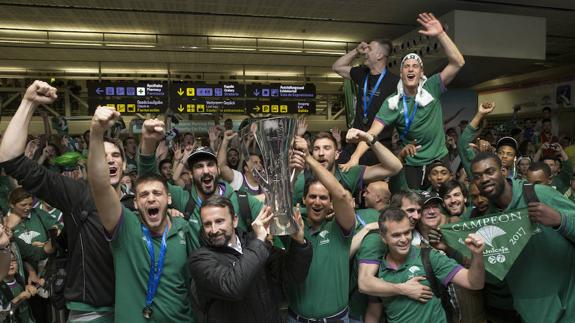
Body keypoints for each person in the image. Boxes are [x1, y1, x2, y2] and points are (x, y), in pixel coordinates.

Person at [0, 81, 116, 322]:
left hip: (133, 306)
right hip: (91, 311)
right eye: (102, 156)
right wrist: (28, 102)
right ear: (90, 162)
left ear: (124, 165)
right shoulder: (78, 194)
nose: (110, 161)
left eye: (116, 155)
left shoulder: (140, 201)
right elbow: (11, 160)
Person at [87, 106, 197, 323]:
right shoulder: (125, 227)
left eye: (157, 193)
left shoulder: (184, 228)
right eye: (144, 195)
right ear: (135, 203)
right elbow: (100, 185)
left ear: (169, 199)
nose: (151, 198)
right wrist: (96, 133)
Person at [342, 12, 465, 189]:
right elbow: (372, 133)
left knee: (444, 202)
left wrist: (440, 34)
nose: (410, 69)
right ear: (401, 74)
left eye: (415, 66)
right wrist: (355, 158)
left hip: (439, 160)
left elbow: (458, 62)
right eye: (406, 66)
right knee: (412, 205)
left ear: (421, 73)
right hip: (411, 163)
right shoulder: (393, 103)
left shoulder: (431, 87)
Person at [471, 152, 575, 322]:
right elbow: (496, 274)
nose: (484, 179)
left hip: (569, 307)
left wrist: (559, 220)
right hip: (532, 313)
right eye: (477, 176)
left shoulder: (539, 194)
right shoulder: (488, 221)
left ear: (503, 171)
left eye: (490, 171)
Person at [137, 119, 264, 246]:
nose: (206, 171)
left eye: (210, 165)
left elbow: (274, 220)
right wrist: (148, 142)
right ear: (191, 174)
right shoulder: (183, 200)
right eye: (199, 166)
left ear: (218, 169)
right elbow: (149, 180)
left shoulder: (242, 201)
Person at [188, 196, 312, 323]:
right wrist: (259, 240)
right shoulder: (199, 259)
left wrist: (299, 242)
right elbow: (233, 287)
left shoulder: (253, 244)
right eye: (207, 224)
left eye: (219, 221)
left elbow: (293, 275)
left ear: (234, 220)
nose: (214, 230)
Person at [286, 137, 356, 322]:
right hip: (297, 319)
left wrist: (308, 157)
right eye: (313, 197)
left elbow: (341, 194)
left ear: (331, 203)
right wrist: (294, 170)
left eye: (324, 198)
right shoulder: (294, 227)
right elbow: (282, 202)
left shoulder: (340, 228)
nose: (317, 202)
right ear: (304, 200)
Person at [376, 207, 485, 323]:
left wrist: (477, 255)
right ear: (383, 237)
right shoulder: (377, 270)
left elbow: (474, 283)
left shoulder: (429, 257)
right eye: (396, 235)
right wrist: (402, 289)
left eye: (407, 232)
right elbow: (374, 312)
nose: (404, 239)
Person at [332, 38, 400, 163]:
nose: (365, 52)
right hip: (353, 144)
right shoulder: (362, 74)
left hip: (377, 147)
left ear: (379, 55)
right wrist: (355, 51)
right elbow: (337, 67)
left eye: (370, 49)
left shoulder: (395, 83)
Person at [293, 130, 402, 205]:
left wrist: (369, 139)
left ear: (337, 155)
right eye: (316, 149)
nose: (321, 153)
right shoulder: (302, 180)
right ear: (312, 154)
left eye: (326, 148)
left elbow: (394, 167)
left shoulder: (347, 172)